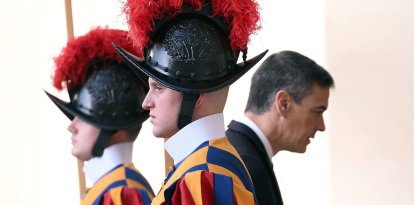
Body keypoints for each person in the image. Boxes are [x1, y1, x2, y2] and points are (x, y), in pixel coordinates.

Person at [114, 0, 267, 204]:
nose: (146, 103)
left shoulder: (203, 174)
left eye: (159, 88)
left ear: (195, 94)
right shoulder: (204, 164)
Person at [44, 27, 154, 205]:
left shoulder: (122, 193)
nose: (72, 126)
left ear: (113, 126)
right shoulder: (112, 187)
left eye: (84, 118)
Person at [226, 51, 335, 205]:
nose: (321, 126)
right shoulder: (244, 165)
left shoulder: (244, 154)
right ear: (284, 103)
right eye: (317, 111)